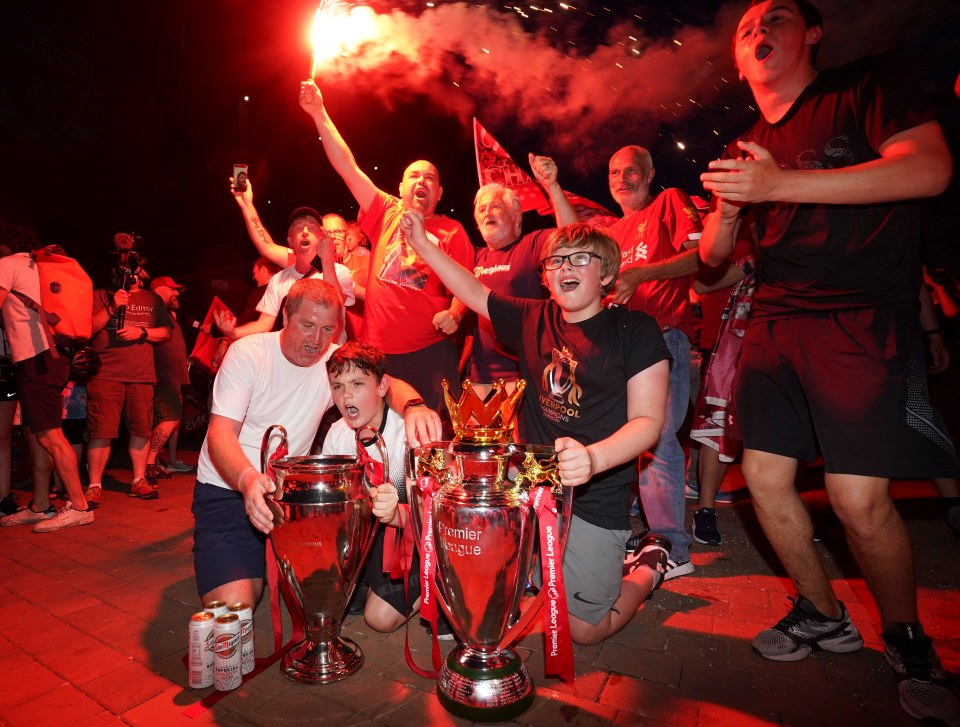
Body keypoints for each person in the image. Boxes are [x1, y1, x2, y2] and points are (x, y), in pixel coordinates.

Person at [699, 1, 959, 722]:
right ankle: (822, 611)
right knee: (762, 479)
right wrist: (725, 211)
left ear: (811, 33)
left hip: (859, 313)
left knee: (856, 499)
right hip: (776, 320)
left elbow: (930, 168)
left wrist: (781, 184)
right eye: (747, 29)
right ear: (738, 60)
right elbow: (713, 263)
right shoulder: (747, 142)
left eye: (777, 18)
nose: (759, 32)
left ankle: (907, 637)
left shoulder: (865, 86)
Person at [399, 213, 673, 646]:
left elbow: (648, 422)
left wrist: (593, 458)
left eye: (579, 259)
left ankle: (648, 567)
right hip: (528, 485)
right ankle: (522, 575)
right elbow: (472, 290)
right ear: (545, 277)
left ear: (606, 273)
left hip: (594, 494)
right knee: (478, 524)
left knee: (584, 631)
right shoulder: (533, 317)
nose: (564, 267)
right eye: (555, 261)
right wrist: (424, 245)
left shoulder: (635, 330)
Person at [192, 278, 440, 609]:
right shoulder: (248, 354)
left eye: (327, 329)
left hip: (290, 496)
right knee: (235, 607)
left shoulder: (332, 362)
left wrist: (414, 407)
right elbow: (219, 435)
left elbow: (388, 384)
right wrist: (247, 480)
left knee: (318, 591)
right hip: (228, 488)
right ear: (285, 316)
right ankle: (246, 566)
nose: (316, 340)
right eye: (307, 325)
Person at [298, 79, 474, 414]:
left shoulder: (452, 231)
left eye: (430, 179)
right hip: (375, 353)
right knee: (374, 433)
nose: (421, 181)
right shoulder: (387, 211)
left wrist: (455, 313)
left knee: (434, 437)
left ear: (439, 194)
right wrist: (319, 112)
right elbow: (347, 168)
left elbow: (466, 286)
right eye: (414, 176)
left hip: (430, 353)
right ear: (400, 187)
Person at [565, 146, 702, 578]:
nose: (622, 179)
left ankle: (673, 546)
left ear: (649, 173)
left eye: (631, 171)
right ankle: (629, 531)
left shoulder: (669, 202)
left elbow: (705, 257)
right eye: (613, 172)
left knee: (657, 440)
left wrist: (641, 274)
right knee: (620, 440)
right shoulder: (611, 231)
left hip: (663, 339)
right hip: (617, 351)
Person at [0, 222, 92, 532]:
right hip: (51, 357)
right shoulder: (38, 266)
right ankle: (40, 504)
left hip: (36, 359)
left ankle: (80, 506)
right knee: (39, 433)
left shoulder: (7, 265)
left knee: (50, 434)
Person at [321, 341, 417, 633]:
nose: (346, 395)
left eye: (357, 383)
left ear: (382, 385)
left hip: (408, 544)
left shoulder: (408, 433)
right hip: (364, 542)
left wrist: (396, 513)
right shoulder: (337, 435)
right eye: (337, 386)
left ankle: (437, 586)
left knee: (378, 620)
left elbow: (432, 515)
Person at [465, 156, 576, 397]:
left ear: (516, 216)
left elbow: (572, 240)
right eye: (481, 210)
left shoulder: (533, 244)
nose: (487, 213)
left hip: (524, 375)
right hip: (479, 378)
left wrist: (552, 188)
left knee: (519, 437)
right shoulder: (473, 257)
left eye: (495, 206)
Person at [87, 239, 173, 503]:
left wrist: (142, 332)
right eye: (125, 270)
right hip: (105, 374)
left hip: (141, 375)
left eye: (135, 272)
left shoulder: (152, 299)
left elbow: (166, 332)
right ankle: (94, 485)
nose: (131, 276)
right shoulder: (99, 295)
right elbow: (87, 329)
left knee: (141, 429)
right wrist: (112, 307)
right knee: (101, 430)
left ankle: (138, 480)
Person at [217, 181, 355, 341]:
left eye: (311, 228)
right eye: (298, 228)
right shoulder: (279, 279)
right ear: (290, 240)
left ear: (321, 236)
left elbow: (334, 306)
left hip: (328, 361)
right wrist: (246, 203)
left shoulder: (340, 272)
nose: (304, 232)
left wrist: (327, 260)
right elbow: (263, 325)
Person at [143, 276, 192, 487]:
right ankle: (148, 463)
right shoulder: (153, 312)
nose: (177, 293)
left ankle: (170, 460)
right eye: (173, 289)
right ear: (160, 290)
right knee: (170, 418)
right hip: (163, 376)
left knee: (175, 418)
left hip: (174, 375)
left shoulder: (169, 315)